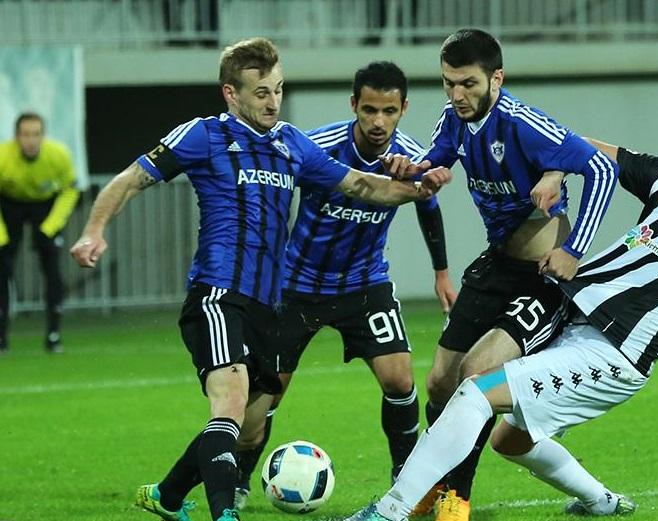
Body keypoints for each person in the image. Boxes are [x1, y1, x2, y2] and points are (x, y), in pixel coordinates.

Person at [344, 112, 658, 521]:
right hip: (567, 313)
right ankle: (601, 501)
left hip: (615, 353)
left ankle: (391, 510)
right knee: (508, 439)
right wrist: (557, 167)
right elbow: (579, 146)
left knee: (475, 390)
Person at [70, 37, 450, 521]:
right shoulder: (204, 135)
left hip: (269, 306)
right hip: (221, 294)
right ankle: (226, 510)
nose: (273, 102)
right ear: (231, 94)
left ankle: (167, 494)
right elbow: (129, 179)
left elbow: (360, 185)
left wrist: (418, 187)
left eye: (278, 90)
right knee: (230, 407)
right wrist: (94, 230)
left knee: (247, 427)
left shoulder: (291, 143)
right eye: (261, 93)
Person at [379, 28, 618, 519]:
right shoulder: (454, 118)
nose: (457, 94)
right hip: (496, 265)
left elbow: (602, 170)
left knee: (477, 374)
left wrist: (574, 250)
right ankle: (435, 485)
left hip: (541, 277)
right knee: (440, 382)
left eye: (467, 83)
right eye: (448, 83)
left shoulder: (524, 123)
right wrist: (413, 170)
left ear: (497, 78)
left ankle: (455, 498)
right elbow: (433, 161)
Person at [230, 61, 457, 509]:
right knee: (269, 389)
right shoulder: (319, 146)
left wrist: (442, 273)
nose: (378, 121)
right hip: (296, 286)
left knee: (399, 379)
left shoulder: (413, 158)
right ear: (354, 104)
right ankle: (238, 479)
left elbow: (428, 207)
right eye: (369, 109)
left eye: (388, 111)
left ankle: (406, 477)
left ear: (404, 108)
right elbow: (274, 190)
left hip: (364, 283)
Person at [0, 113, 79, 354]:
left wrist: (50, 227)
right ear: (17, 136)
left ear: (43, 136)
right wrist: (1, 234)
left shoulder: (58, 155)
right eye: (25, 134)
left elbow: (69, 190)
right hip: (8, 204)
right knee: (2, 269)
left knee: (52, 268)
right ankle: (2, 338)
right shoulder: (3, 156)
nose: (31, 140)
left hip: (45, 206)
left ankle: (53, 335)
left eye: (36, 134)